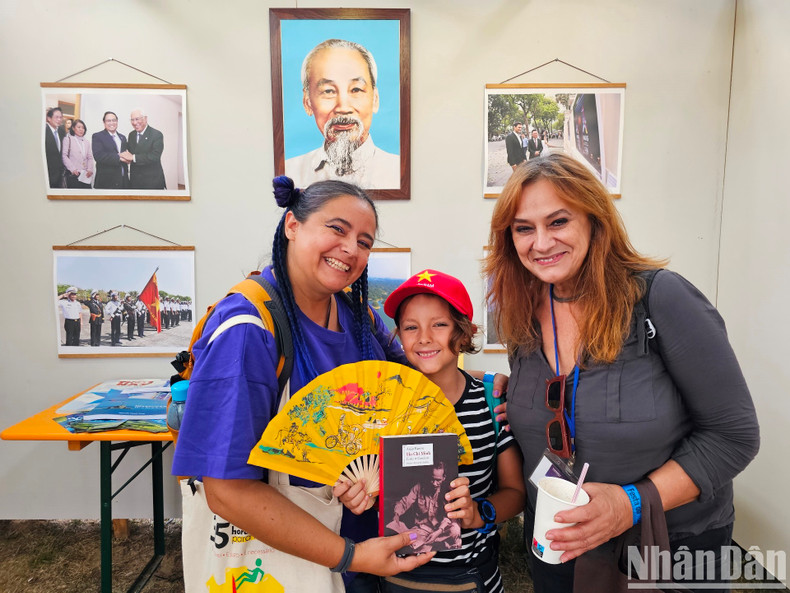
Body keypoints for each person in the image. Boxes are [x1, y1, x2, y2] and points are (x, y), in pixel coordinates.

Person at [483, 153, 759, 593]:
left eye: (558, 222)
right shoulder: (519, 311)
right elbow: (566, 404)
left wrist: (630, 503)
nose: (540, 242)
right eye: (523, 228)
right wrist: (515, 400)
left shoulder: (660, 298)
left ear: (595, 221)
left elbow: (734, 436)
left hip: (669, 548)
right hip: (560, 542)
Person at [171, 176, 435, 592]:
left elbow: (411, 390)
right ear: (292, 225)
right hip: (287, 558)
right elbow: (227, 491)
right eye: (337, 229)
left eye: (365, 241)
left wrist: (490, 386)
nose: (351, 249)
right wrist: (350, 555)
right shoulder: (248, 330)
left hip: (363, 550)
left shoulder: (359, 319)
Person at [337, 269, 526, 592]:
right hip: (395, 575)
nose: (424, 337)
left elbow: (515, 492)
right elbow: (363, 476)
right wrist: (357, 496)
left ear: (464, 333)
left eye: (439, 324)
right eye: (411, 327)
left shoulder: (490, 402)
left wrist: (479, 513)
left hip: (471, 576)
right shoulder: (383, 406)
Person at [284, 39, 399, 189]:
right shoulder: (290, 175)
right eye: (328, 91)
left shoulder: (397, 172)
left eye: (356, 90)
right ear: (307, 103)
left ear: (375, 100)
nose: (343, 108)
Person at [120, 109, 166, 189]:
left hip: (152, 181)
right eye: (132, 120)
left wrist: (133, 157)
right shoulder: (131, 135)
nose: (134, 123)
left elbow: (155, 156)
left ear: (145, 119)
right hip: (135, 181)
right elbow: (128, 151)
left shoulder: (156, 134)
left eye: (137, 119)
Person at [92, 111, 129, 189]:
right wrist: (119, 158)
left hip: (123, 181)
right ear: (104, 122)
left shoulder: (123, 137)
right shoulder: (97, 136)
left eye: (114, 120)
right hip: (106, 182)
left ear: (117, 121)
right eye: (108, 121)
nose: (112, 123)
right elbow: (98, 156)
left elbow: (126, 154)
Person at [61, 119, 94, 189]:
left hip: (85, 176)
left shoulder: (86, 142)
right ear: (73, 128)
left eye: (83, 128)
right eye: (79, 127)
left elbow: (90, 157)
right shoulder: (68, 139)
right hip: (73, 174)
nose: (81, 129)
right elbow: (64, 156)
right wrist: (73, 169)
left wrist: (90, 169)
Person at [44, 107, 65, 188]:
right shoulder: (44, 131)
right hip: (47, 174)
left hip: (59, 174)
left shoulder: (61, 131)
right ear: (49, 118)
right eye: (56, 117)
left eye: (61, 117)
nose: (59, 120)